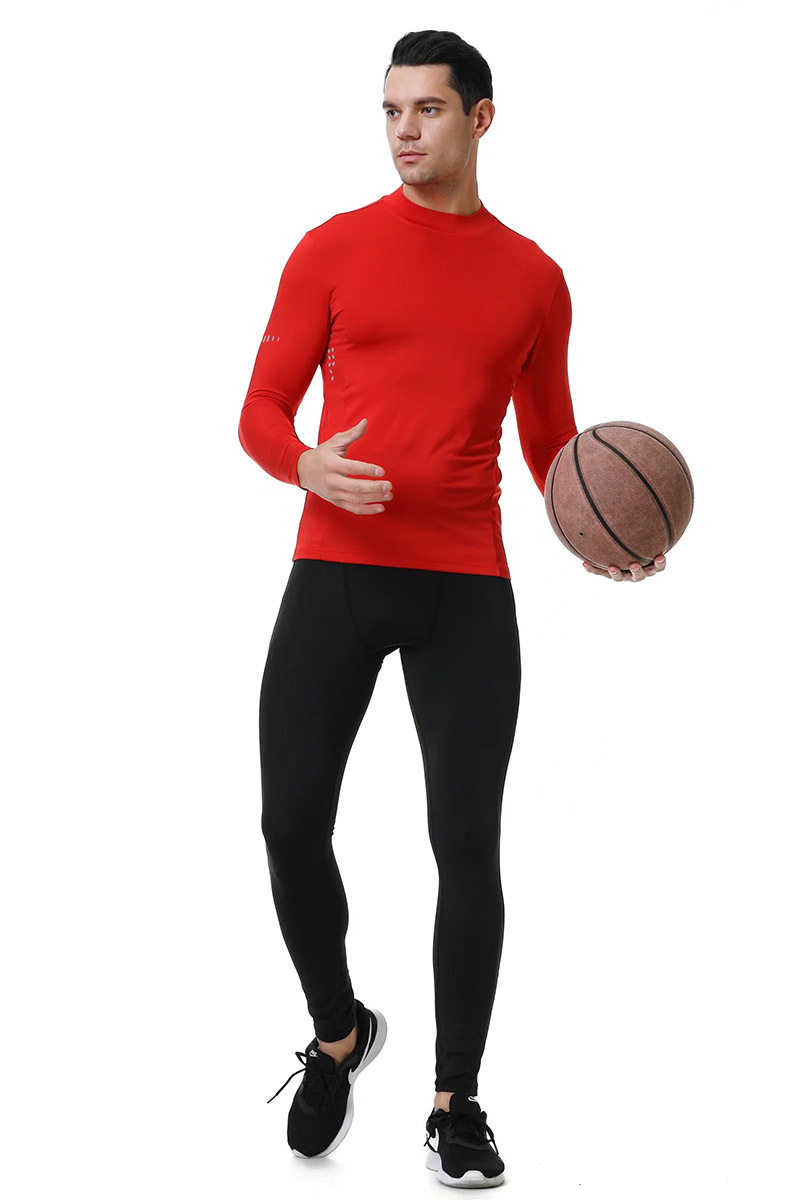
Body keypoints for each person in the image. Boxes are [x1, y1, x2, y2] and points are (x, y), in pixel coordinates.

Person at [238, 28, 666, 1188]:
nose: (403, 131)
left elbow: (553, 445)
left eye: (425, 109)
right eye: (389, 111)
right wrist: (302, 465)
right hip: (334, 571)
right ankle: (339, 1033)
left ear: (479, 118)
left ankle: (454, 1100)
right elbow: (260, 410)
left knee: (466, 844)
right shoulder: (331, 248)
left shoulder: (533, 278)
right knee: (287, 825)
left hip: (466, 588)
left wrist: (602, 540)